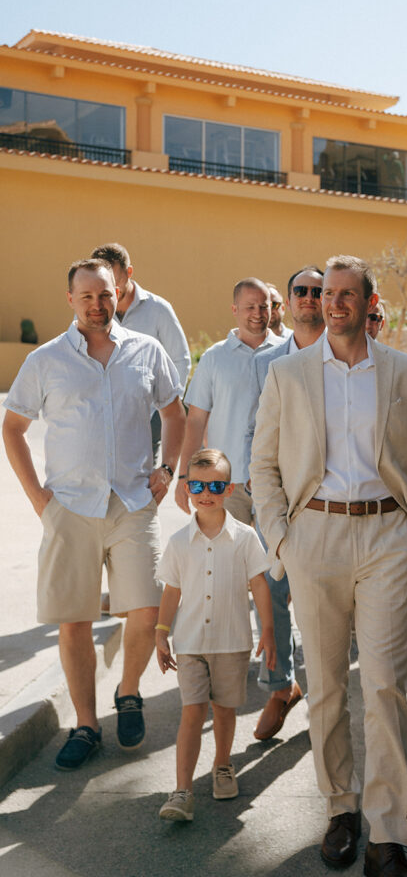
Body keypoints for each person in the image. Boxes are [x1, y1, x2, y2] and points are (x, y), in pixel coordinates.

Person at [250, 255, 407, 877]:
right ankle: (340, 809)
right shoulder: (289, 374)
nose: (332, 303)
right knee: (328, 686)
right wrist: (282, 541)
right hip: (316, 539)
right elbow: (263, 467)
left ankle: (388, 833)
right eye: (325, 294)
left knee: (385, 685)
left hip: (388, 534)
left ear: (368, 299)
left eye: (345, 294)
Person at [2, 259, 186, 770]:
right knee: (74, 619)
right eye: (86, 297)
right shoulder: (46, 360)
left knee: (147, 609)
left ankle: (128, 693)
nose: (97, 305)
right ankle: (86, 724)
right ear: (70, 300)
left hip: (132, 502)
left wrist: (167, 469)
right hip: (70, 507)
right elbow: (12, 427)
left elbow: (174, 412)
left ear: (119, 292)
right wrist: (40, 499)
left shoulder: (146, 352)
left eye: (104, 295)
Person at [155, 449, 276, 821]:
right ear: (188, 487)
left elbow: (259, 584)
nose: (205, 493)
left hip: (232, 641)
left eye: (215, 485)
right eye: (197, 485)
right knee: (192, 712)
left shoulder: (245, 537)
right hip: (190, 644)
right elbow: (171, 590)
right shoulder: (178, 542)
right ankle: (182, 791)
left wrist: (268, 630)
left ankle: (223, 765)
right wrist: (161, 632)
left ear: (229, 489)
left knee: (224, 711)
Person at [245, 266, 325, 742]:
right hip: (278, 501)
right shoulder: (266, 361)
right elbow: (261, 430)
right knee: (271, 596)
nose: (310, 298)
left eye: (319, 291)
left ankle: (322, 696)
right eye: (302, 291)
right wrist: (261, 493)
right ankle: (280, 688)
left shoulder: (345, 352)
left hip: (333, 505)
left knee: (326, 606)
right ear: (288, 302)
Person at [176, 278, 283, 525]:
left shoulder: (287, 354)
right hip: (225, 484)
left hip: (276, 482)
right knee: (229, 559)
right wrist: (184, 477)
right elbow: (195, 420)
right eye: (250, 307)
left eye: (264, 306)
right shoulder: (215, 357)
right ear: (234, 310)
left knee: (273, 561)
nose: (258, 313)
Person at [91, 243, 191, 462]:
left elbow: (180, 359)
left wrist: (165, 407)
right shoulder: (92, 311)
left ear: (129, 273)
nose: (110, 292)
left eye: (114, 282)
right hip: (102, 415)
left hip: (149, 416)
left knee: (143, 483)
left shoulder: (158, 309)